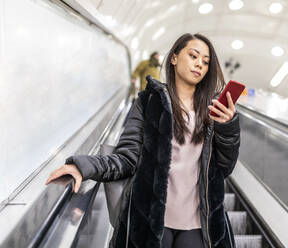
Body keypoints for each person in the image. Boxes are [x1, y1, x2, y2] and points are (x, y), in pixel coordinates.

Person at [46, 33, 240, 248]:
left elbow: (225, 167)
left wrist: (227, 127)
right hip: (151, 220)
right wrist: (82, 166)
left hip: (198, 225)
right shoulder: (148, 102)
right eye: (193, 56)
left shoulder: (213, 111)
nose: (199, 65)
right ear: (174, 58)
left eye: (205, 62)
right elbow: (127, 158)